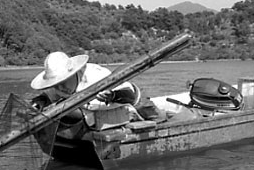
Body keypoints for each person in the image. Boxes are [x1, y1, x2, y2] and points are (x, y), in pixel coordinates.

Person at [30, 52, 165, 126]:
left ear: (72, 74)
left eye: (63, 82)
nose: (59, 87)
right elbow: (46, 96)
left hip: (134, 101)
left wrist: (112, 96)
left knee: (160, 121)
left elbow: (129, 95)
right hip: (102, 113)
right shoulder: (58, 87)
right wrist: (38, 103)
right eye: (55, 84)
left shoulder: (96, 76)